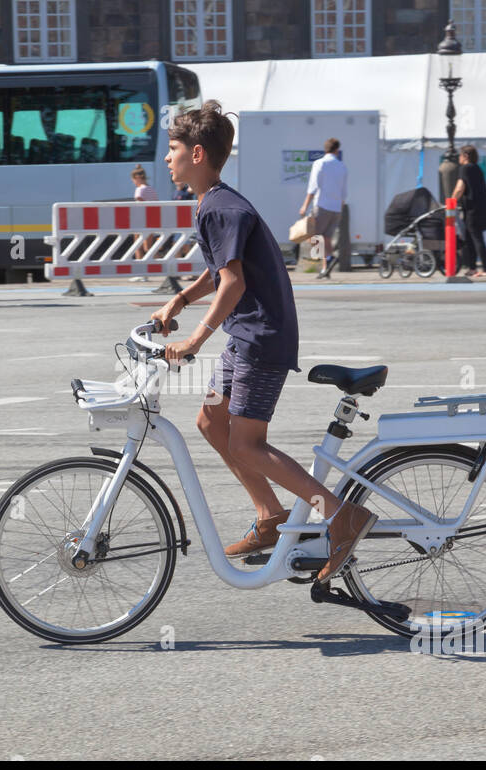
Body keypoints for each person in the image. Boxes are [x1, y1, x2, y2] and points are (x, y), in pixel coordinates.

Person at [151, 101, 376, 585]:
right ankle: (271, 517)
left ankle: (339, 514)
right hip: (243, 338)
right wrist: (178, 302)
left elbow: (232, 284)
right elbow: (219, 274)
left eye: (171, 150)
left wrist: (195, 338)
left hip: (260, 340)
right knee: (210, 421)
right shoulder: (214, 202)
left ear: (195, 153)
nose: (166, 159)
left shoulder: (220, 207)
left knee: (248, 445)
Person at [298, 138, 347, 279]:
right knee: (327, 238)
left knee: (314, 236)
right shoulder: (342, 166)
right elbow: (344, 191)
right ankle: (325, 268)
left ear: (325, 149)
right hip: (336, 207)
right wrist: (340, 207)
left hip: (322, 205)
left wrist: (304, 206)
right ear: (337, 150)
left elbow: (313, 187)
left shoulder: (319, 164)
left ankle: (327, 260)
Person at [452, 145, 486, 277]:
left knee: (476, 238)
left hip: (472, 209)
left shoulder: (465, 168)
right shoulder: (477, 169)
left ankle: (485, 269)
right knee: (470, 238)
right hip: (481, 207)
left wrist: (451, 202)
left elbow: (459, 188)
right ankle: (472, 267)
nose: (459, 157)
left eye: (460, 155)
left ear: (466, 156)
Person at [129, 165, 159, 280]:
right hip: (151, 221)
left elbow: (139, 206)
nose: (133, 182)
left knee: (138, 247)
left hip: (140, 221)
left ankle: (141, 273)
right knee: (149, 247)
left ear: (137, 178)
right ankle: (164, 265)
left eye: (133, 180)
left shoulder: (140, 190)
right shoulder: (151, 189)